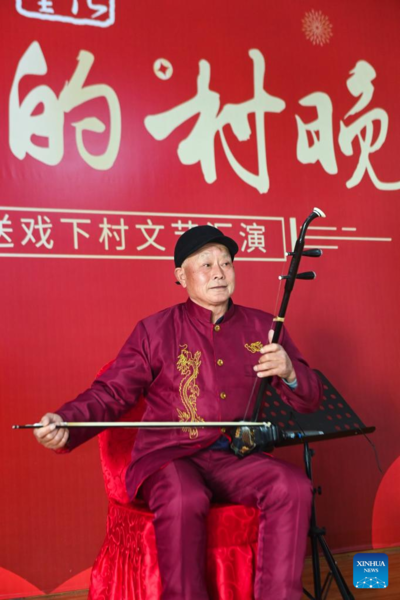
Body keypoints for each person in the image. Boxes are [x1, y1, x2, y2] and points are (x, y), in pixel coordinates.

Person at [34, 225, 323, 600]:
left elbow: (310, 399)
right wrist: (67, 423)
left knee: (292, 485)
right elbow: (112, 391)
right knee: (185, 496)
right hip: (169, 455)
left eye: (226, 263)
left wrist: (289, 371)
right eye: (206, 264)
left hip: (235, 457)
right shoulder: (154, 330)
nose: (219, 272)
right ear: (179, 276)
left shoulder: (264, 327)